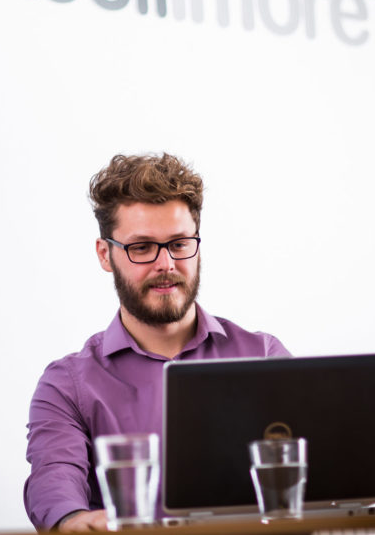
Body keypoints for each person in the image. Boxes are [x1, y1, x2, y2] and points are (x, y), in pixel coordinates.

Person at [23, 153, 289, 531]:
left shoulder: (264, 357)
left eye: (180, 244)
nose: (165, 264)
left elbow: (315, 474)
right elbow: (54, 476)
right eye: (142, 247)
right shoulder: (66, 386)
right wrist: (72, 520)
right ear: (105, 254)